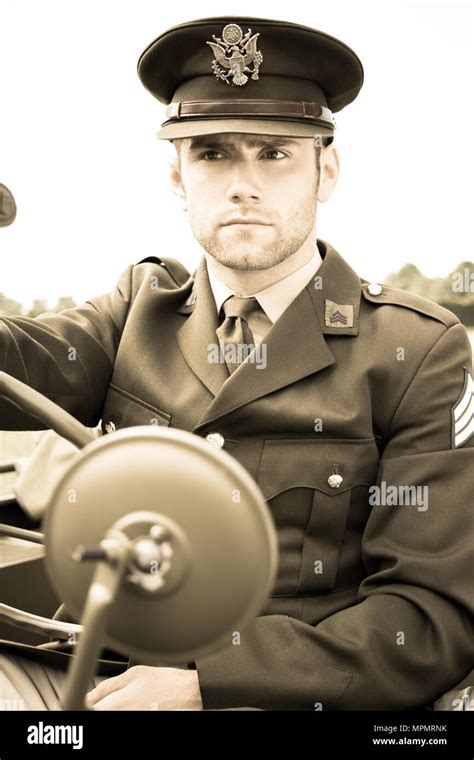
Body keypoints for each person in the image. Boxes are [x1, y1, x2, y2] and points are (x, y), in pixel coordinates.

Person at [0, 15, 473, 711]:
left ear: (326, 170)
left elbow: (429, 620)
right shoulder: (139, 309)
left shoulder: (417, 353)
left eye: (275, 153)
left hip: (276, 695)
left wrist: (208, 684)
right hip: (92, 660)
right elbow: (20, 368)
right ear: (177, 175)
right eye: (213, 154)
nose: (243, 184)